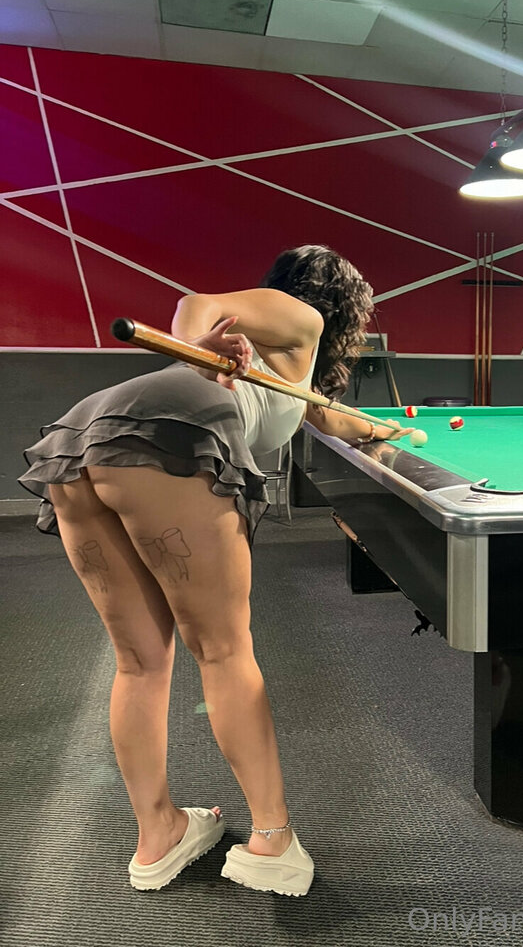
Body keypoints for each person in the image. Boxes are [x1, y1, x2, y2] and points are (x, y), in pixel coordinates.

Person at [19, 244, 411, 896]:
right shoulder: (302, 316)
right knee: (223, 650)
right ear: (344, 307)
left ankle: (160, 834)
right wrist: (198, 345)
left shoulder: (285, 363)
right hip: (169, 433)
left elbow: (326, 416)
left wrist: (383, 429)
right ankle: (271, 842)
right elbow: (196, 305)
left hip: (83, 439)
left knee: (139, 662)